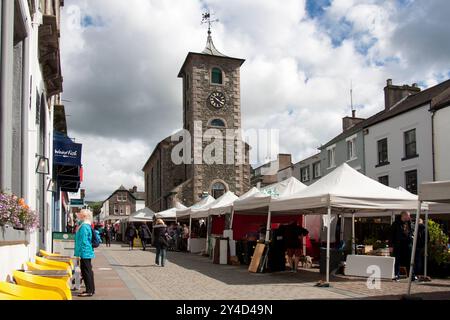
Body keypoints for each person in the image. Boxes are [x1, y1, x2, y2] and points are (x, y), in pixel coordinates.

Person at [74, 209, 96, 297]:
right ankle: (91, 289)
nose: (78, 215)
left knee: (86, 271)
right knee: (88, 271)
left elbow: (82, 241)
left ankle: (89, 291)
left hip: (84, 252)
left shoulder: (84, 226)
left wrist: (79, 254)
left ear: (84, 216)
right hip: (86, 251)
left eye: (80, 214)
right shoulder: (85, 225)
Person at [390, 211, 415, 281]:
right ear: (403, 216)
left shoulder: (410, 223)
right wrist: (391, 246)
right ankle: (396, 275)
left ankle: (412, 276)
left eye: (409, 216)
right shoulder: (396, 224)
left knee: (410, 260)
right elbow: (391, 235)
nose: (409, 217)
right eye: (408, 216)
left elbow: (413, 232)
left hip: (408, 244)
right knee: (397, 260)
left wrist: (411, 236)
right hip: (398, 244)